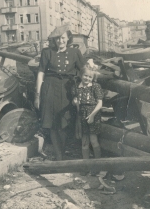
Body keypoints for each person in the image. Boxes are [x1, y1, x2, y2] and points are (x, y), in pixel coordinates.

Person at [34, 24, 85, 160]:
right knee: (51, 123)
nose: (60, 41)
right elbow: (40, 73)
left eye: (62, 38)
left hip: (67, 89)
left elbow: (83, 72)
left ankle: (61, 152)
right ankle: (59, 156)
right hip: (49, 88)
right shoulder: (47, 52)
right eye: (57, 39)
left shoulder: (75, 53)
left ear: (68, 38)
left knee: (64, 122)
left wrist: (79, 92)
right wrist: (37, 95)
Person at [72, 63, 103, 175]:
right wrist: (75, 102)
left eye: (90, 77)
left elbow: (100, 103)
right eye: (85, 75)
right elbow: (75, 100)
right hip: (82, 115)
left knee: (93, 140)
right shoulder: (77, 87)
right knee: (84, 142)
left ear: (93, 78)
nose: (87, 78)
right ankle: (85, 167)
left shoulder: (95, 86)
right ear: (81, 75)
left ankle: (97, 167)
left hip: (93, 115)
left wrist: (92, 116)